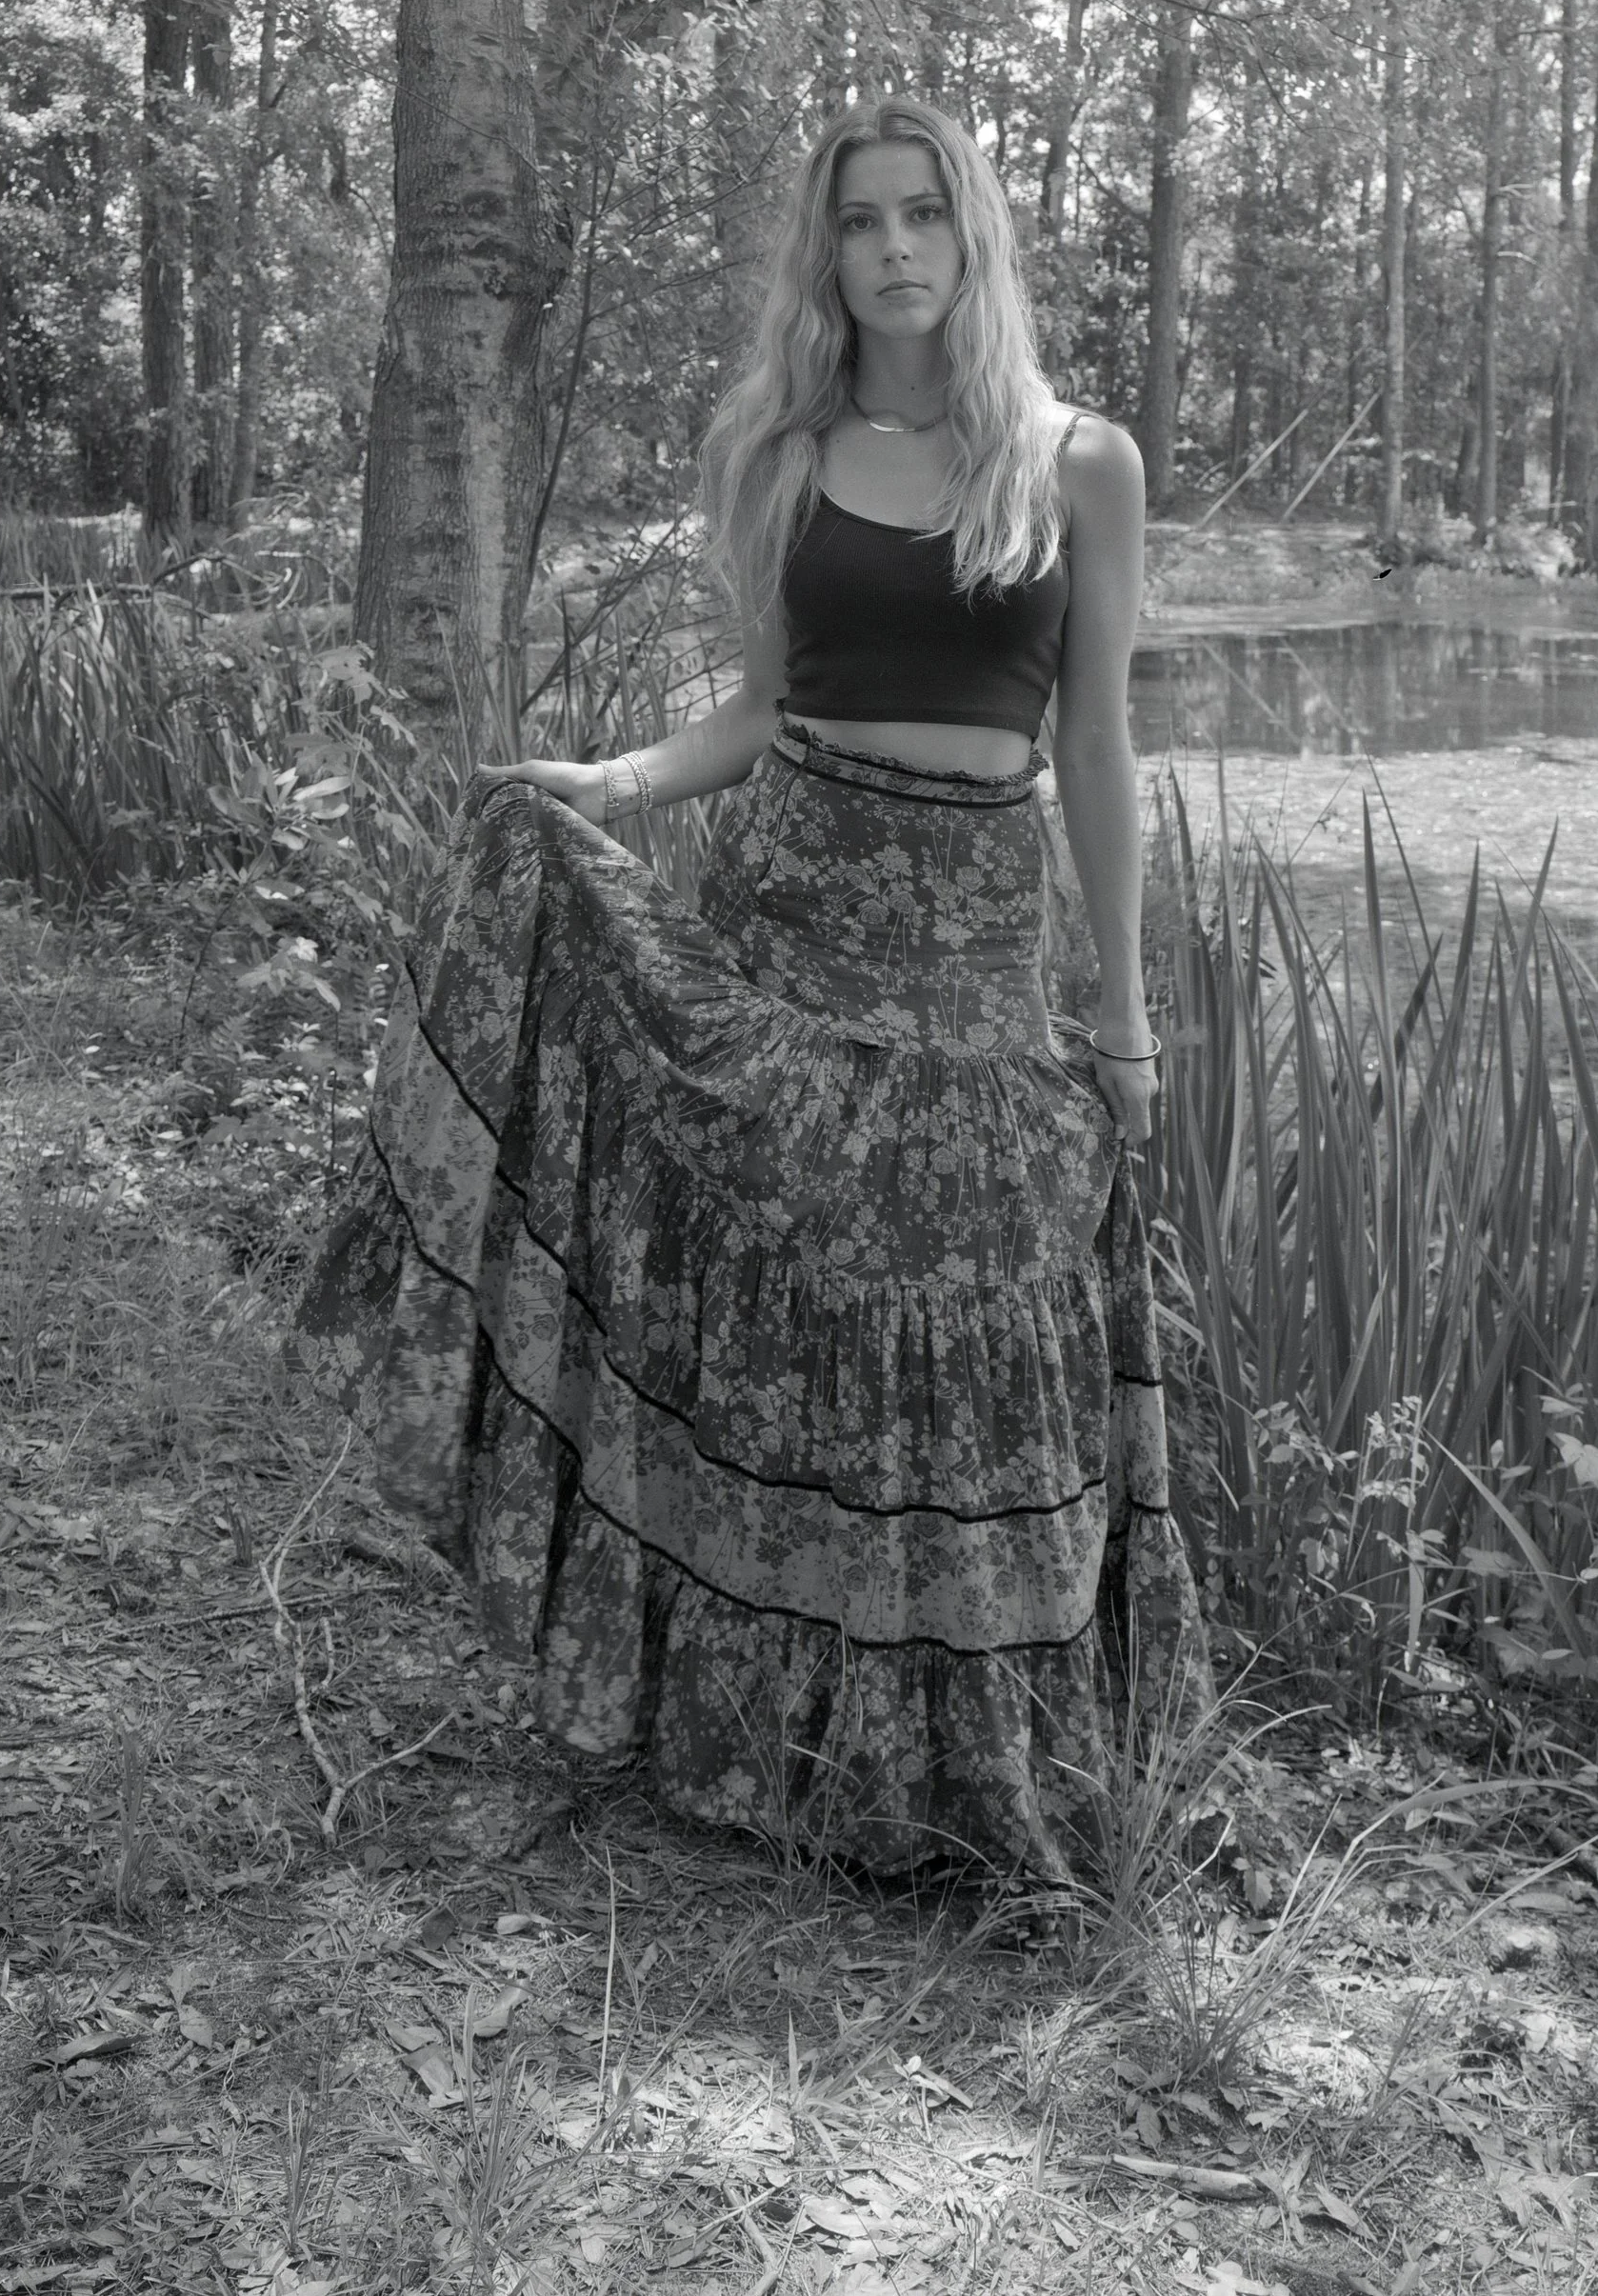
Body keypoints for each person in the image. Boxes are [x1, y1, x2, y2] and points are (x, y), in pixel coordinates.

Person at [302, 94, 1199, 1880]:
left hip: (965, 944)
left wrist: (1118, 1014)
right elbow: (757, 706)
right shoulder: (781, 451)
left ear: (974, 235)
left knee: (972, 1307)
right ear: (829, 253)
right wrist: (619, 787)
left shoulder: (1077, 459)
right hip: (791, 913)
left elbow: (1095, 751)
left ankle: (964, 1770)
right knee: (785, 1317)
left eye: (923, 215)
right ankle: (766, 1734)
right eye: (861, 221)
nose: (894, 250)